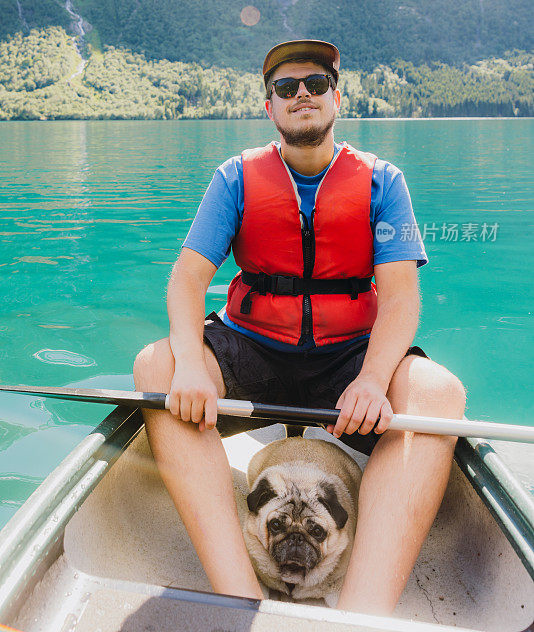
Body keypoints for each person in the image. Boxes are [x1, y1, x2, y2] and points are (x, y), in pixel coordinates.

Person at [133, 39, 466, 615]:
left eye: (315, 84)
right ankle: (239, 600)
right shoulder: (235, 178)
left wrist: (371, 378)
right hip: (254, 351)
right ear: (270, 107)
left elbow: (401, 298)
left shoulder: (383, 182)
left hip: (347, 359)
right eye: (286, 89)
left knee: (439, 391)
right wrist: (188, 364)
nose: (302, 95)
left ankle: (360, 615)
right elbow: (187, 281)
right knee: (155, 365)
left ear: (337, 97)